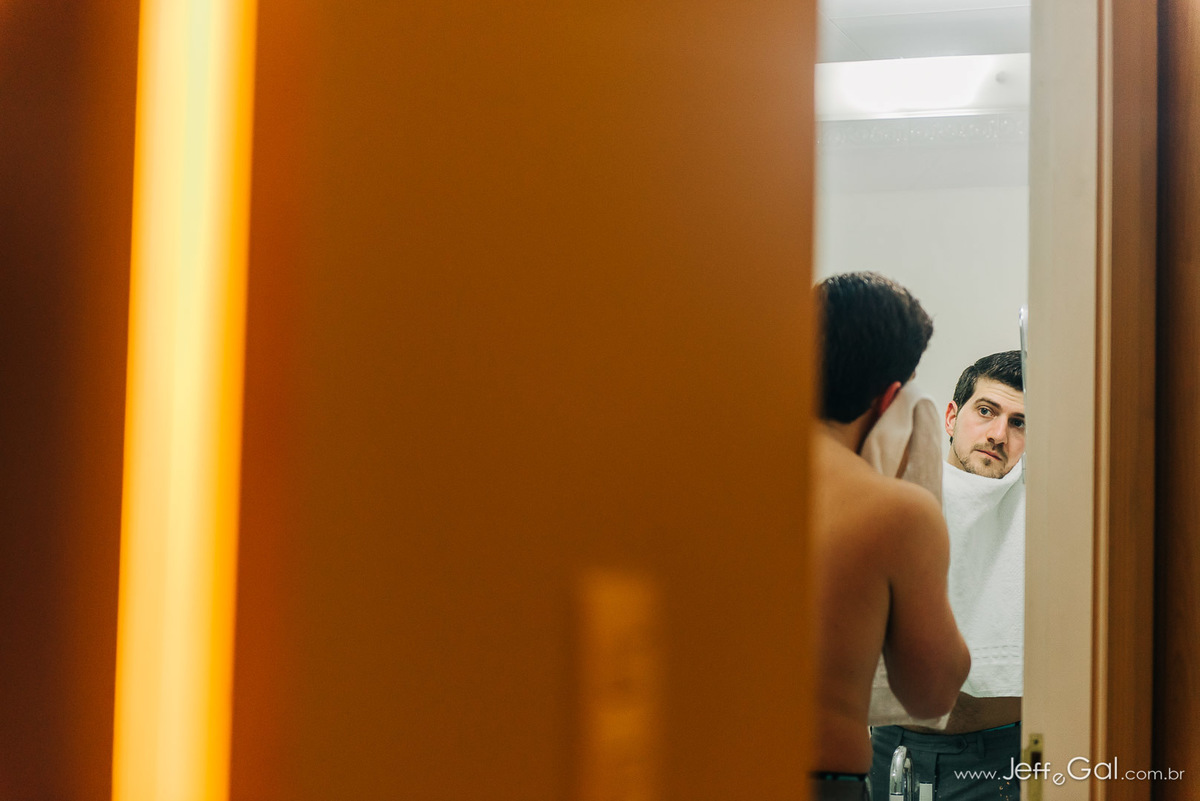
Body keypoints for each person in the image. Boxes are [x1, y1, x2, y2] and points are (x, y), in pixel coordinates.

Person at [812, 272, 971, 801]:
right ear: (889, 398)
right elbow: (931, 693)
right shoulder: (894, 513)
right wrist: (918, 482)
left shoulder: (704, 477)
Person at [869, 351, 1027, 801]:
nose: (998, 434)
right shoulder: (900, 495)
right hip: (893, 749)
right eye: (986, 411)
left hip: (1000, 758)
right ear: (952, 417)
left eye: (1019, 423)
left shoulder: (1043, 507)